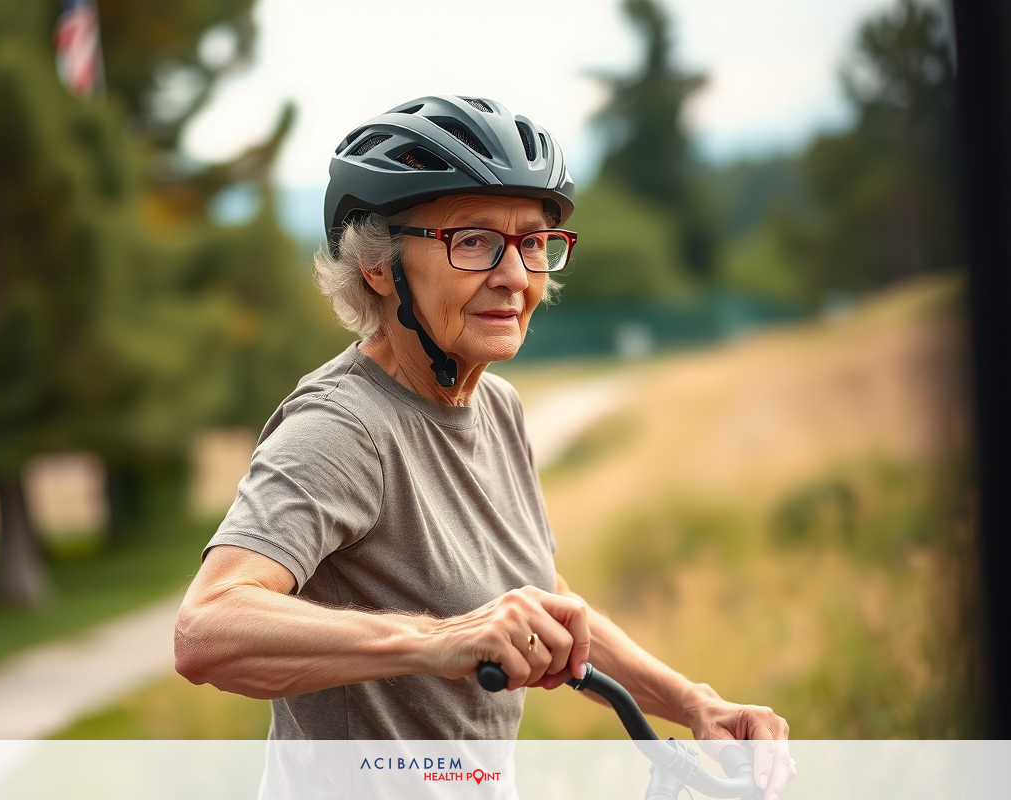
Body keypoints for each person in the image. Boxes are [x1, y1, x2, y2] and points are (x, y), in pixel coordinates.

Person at [175, 95, 794, 796]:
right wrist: (438, 642)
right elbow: (208, 628)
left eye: (532, 242)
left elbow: (536, 597)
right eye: (472, 241)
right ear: (378, 265)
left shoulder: (495, 406)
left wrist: (694, 704)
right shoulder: (342, 425)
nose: (515, 275)